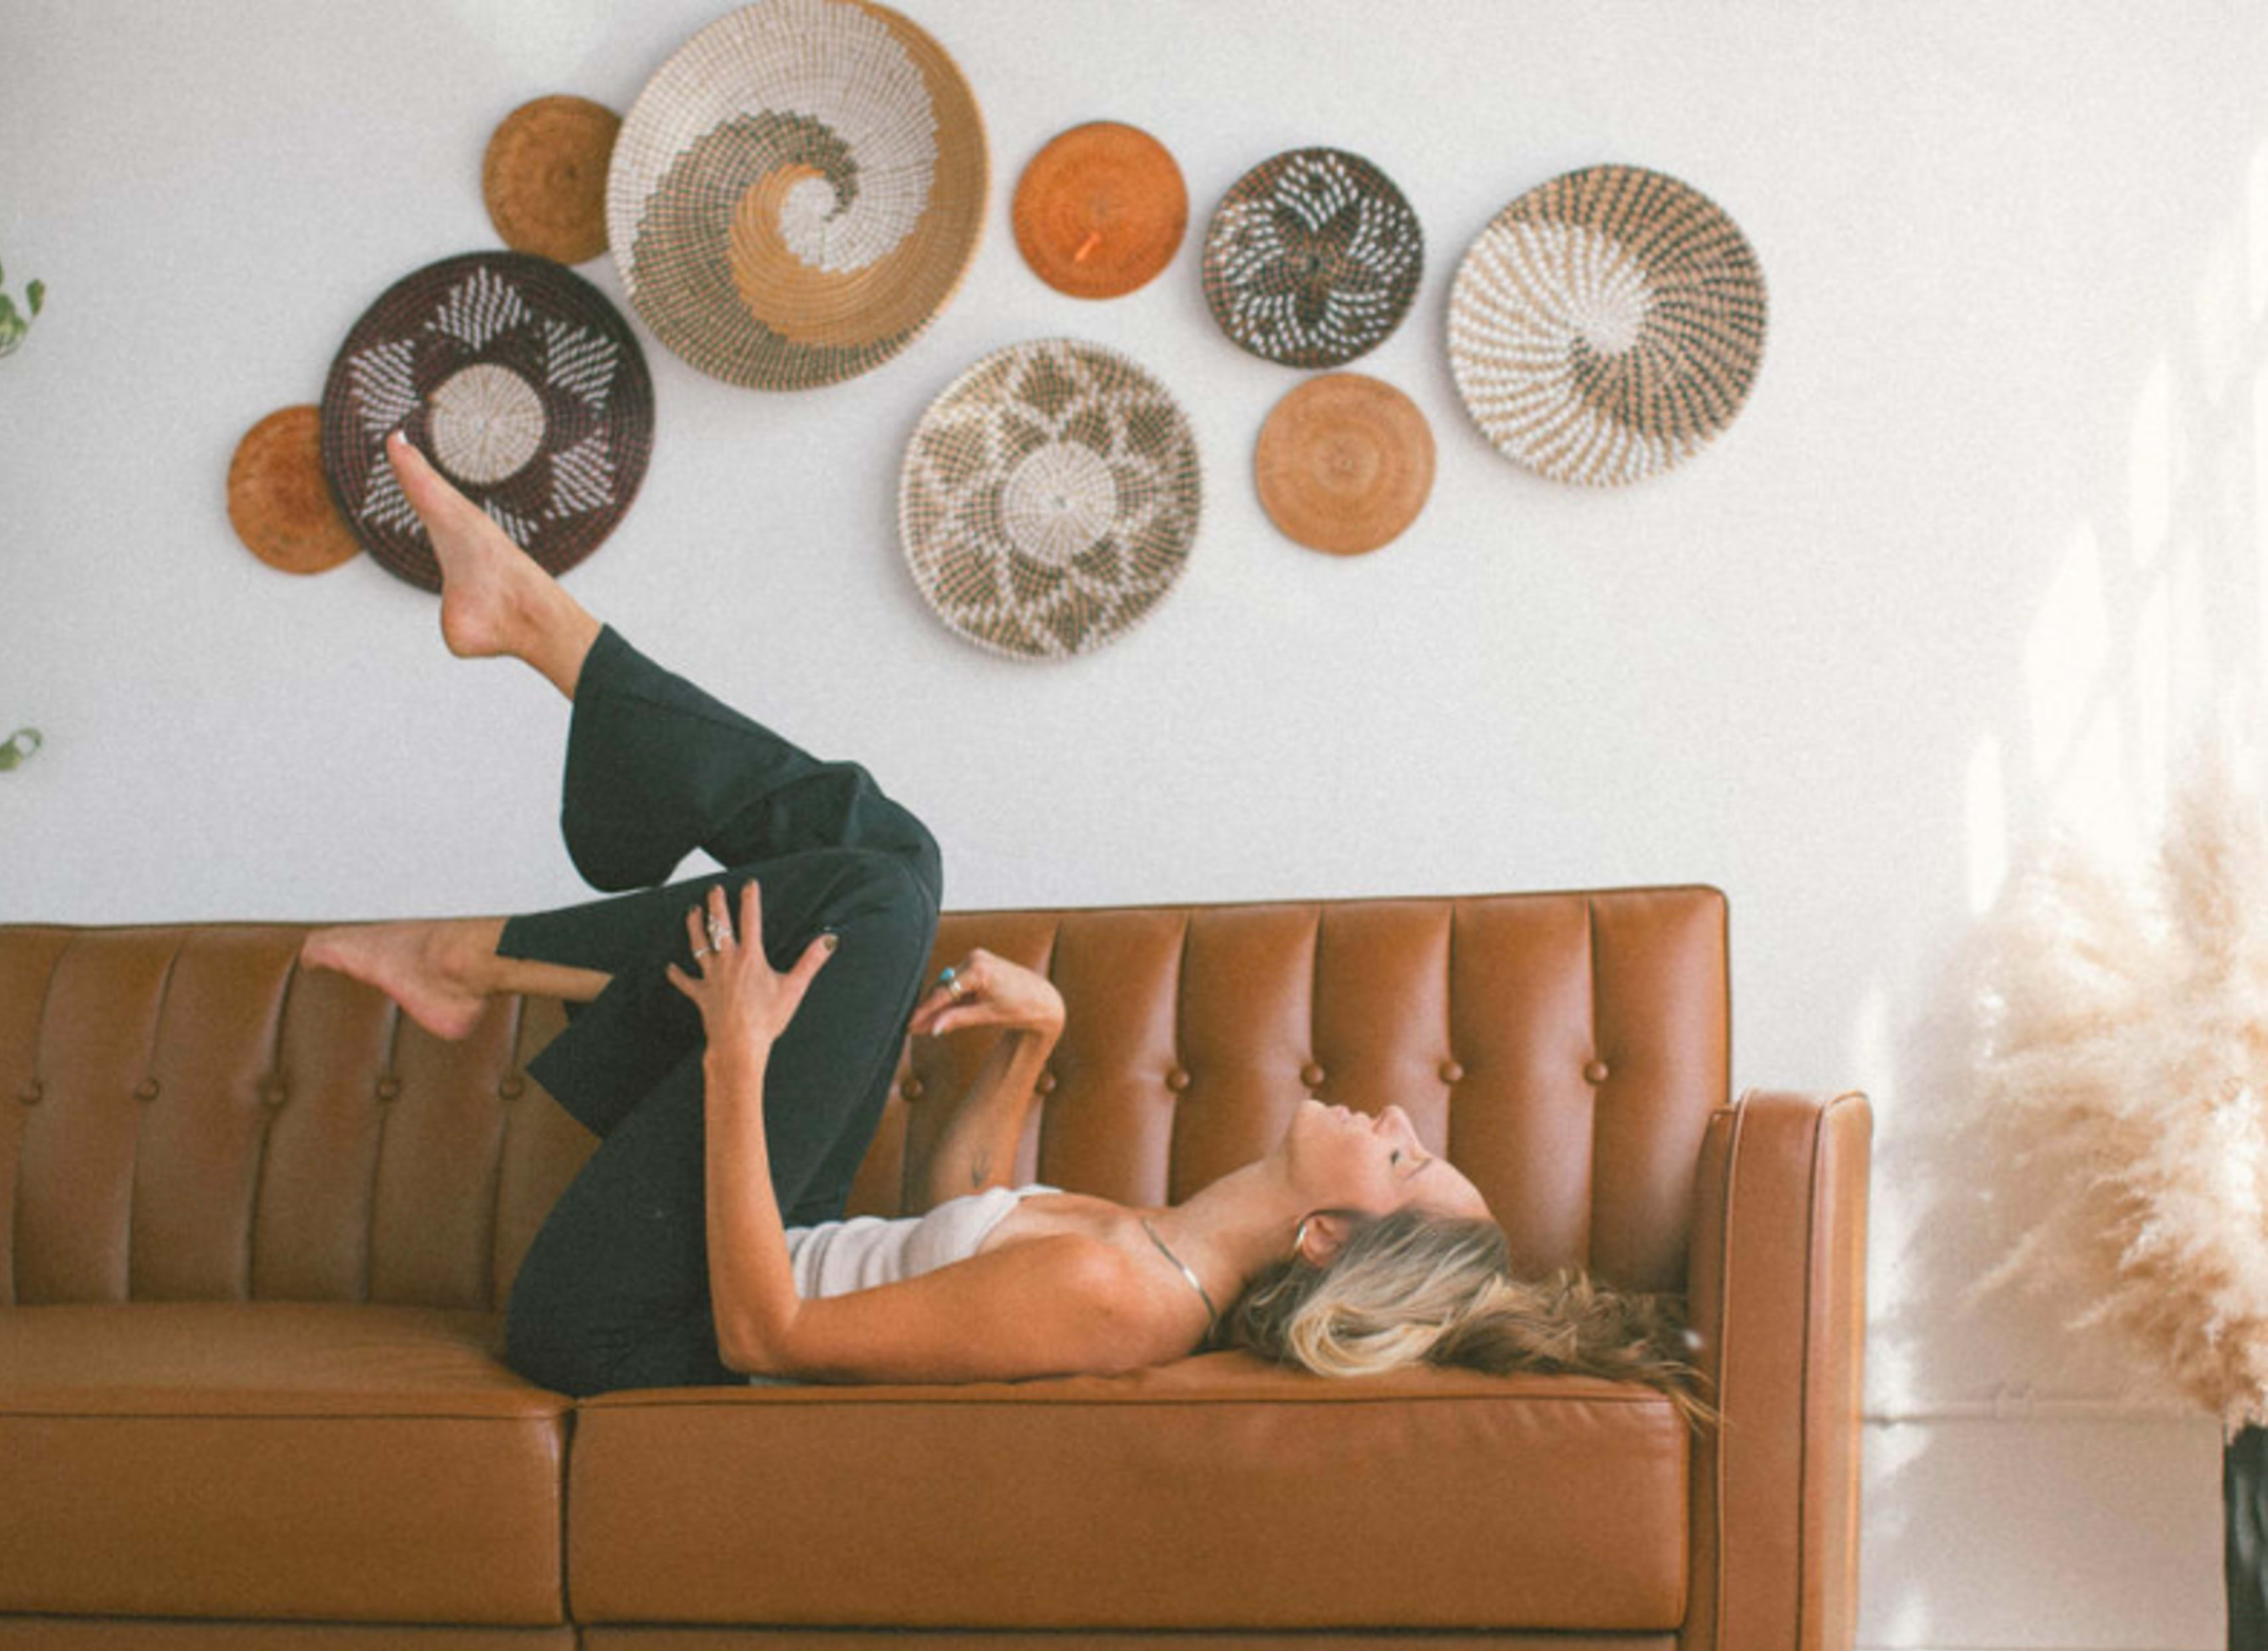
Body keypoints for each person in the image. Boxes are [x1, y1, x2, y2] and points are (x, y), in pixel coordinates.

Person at [303, 431, 1709, 1423]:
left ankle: (495, 844)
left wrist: (739, 1062)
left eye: (1409, 1158)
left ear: (1333, 1237)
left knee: (881, 887)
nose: (1402, 1113)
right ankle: (498, 821)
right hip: (742, 1247)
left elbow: (768, 1332)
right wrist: (1027, 1054)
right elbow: (949, 1224)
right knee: (892, 867)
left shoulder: (1128, 1295)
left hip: (628, 1324)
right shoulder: (1164, 1250)